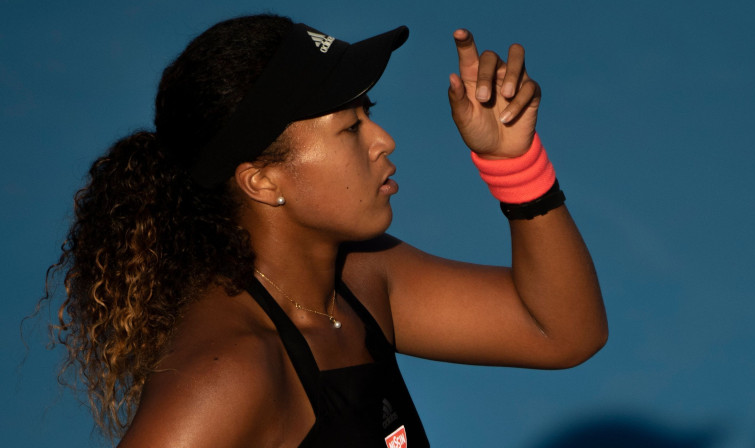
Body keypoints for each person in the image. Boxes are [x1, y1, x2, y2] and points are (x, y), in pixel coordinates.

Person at [44, 13, 607, 447]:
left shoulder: (362, 280)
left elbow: (561, 331)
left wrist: (515, 166)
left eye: (369, 113)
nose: (382, 139)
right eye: (349, 129)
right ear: (262, 181)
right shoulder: (230, 374)